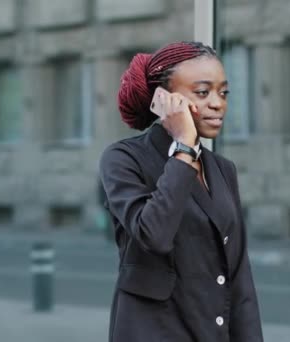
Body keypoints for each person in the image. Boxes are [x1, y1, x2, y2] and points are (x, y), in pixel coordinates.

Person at [99, 41, 263, 342]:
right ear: (164, 99)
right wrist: (184, 146)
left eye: (223, 92)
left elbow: (240, 279)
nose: (218, 103)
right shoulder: (123, 159)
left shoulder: (223, 170)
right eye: (202, 92)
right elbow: (153, 234)